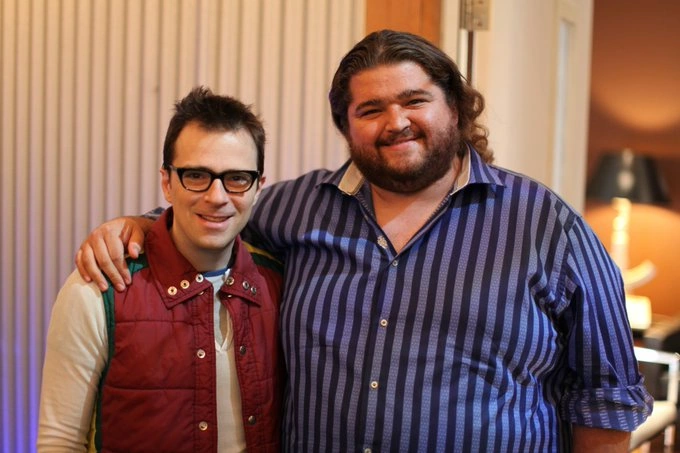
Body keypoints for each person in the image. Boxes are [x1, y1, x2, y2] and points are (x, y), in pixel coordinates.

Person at [75, 30, 652, 452]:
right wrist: (138, 224)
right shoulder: (299, 208)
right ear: (347, 127)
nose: (395, 122)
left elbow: (607, 398)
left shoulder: (547, 225)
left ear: (454, 105)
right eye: (371, 109)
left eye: (414, 101)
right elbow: (214, 210)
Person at [38, 87, 283, 452]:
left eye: (236, 178)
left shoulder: (278, 283)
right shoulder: (99, 288)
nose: (217, 197)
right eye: (196, 175)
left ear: (258, 188)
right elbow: (60, 441)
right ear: (167, 183)